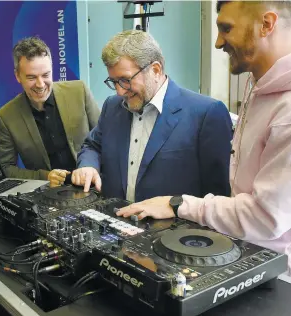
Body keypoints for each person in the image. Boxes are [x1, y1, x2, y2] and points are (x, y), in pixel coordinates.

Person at [116, 1, 291, 275]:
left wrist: (179, 204)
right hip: (244, 255)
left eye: (226, 28)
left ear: (267, 24)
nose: (219, 42)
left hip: (277, 272)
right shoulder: (257, 84)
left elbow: (266, 217)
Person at [72, 30, 233, 203]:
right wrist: (88, 165)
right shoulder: (112, 107)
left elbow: (217, 197)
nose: (120, 91)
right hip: (115, 222)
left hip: (175, 228)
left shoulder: (206, 114)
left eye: (125, 80)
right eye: (114, 82)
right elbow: (92, 145)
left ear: (155, 70)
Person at [0, 37, 100, 187]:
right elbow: (5, 168)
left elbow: (104, 139)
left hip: (92, 186)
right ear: (18, 76)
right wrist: (44, 177)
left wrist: (90, 168)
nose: (40, 84)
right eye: (31, 77)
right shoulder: (6, 116)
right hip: (46, 194)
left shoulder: (79, 91)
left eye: (45, 75)